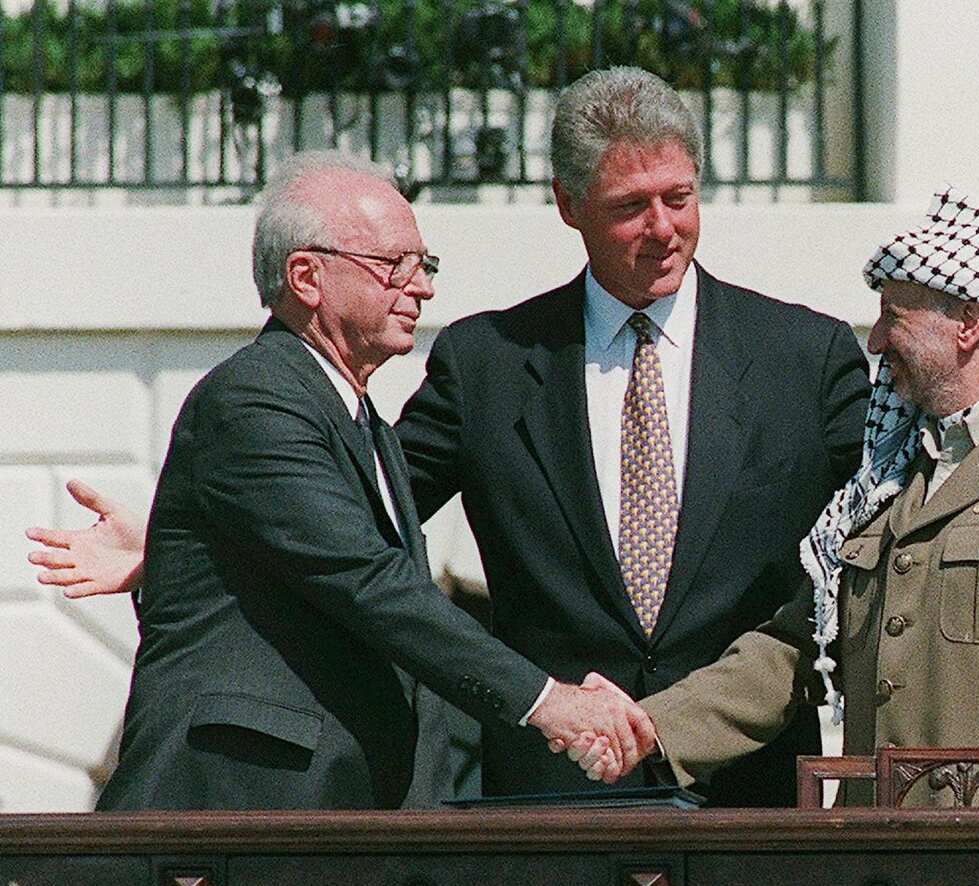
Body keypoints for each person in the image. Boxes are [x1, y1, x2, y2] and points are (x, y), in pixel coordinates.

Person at [30, 72, 979, 806]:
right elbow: (366, 513)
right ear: (568, 208)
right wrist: (185, 529)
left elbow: (906, 499)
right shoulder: (488, 361)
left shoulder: (805, 355)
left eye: (679, 198)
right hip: (552, 795)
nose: (661, 229)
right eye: (627, 207)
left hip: (747, 787)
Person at [576, 189, 979, 805]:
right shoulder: (885, 480)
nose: (874, 342)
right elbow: (794, 650)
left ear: (968, 325)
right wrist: (653, 726)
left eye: (893, 316)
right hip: (876, 855)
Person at [77, 151, 652, 810]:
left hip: (337, 813)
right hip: (243, 808)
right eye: (394, 265)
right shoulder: (253, 401)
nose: (422, 287)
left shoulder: (360, 419)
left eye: (424, 264)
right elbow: (366, 580)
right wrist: (548, 702)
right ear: (307, 276)